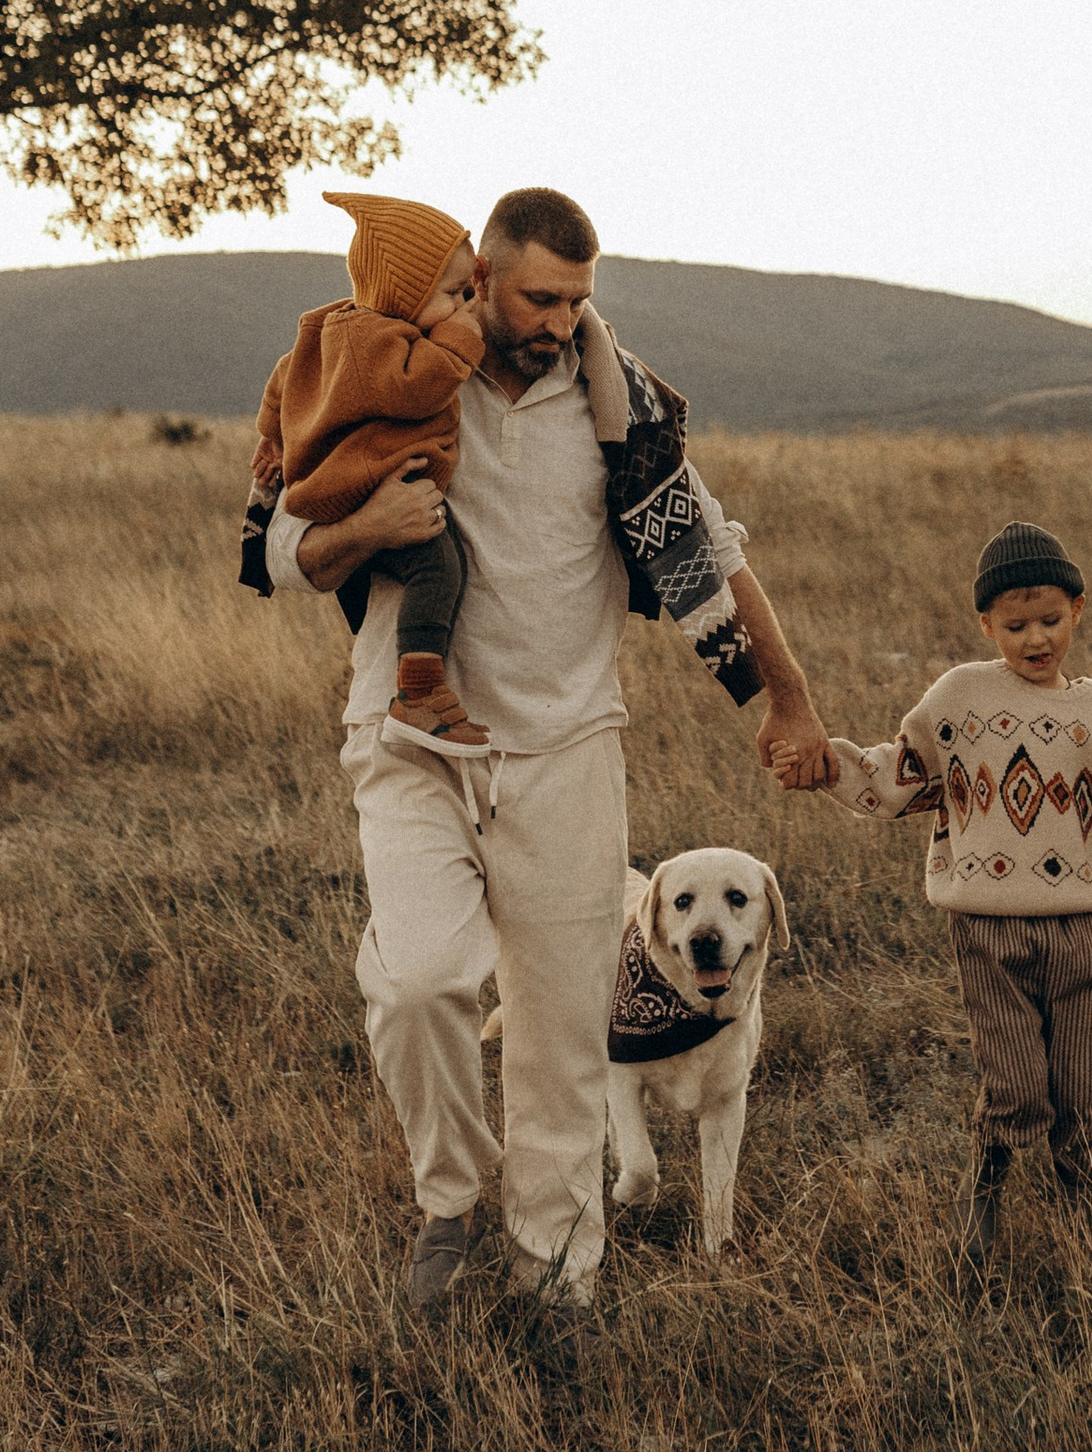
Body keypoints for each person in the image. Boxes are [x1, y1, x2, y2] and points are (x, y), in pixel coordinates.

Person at [256, 183, 832, 1316]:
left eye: (578, 300)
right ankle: (451, 1196)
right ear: (480, 274)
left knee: (565, 1033)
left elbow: (712, 551)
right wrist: (370, 530)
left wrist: (790, 701)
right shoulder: (392, 380)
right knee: (422, 982)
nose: (560, 320)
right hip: (411, 737)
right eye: (538, 296)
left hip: (568, 747)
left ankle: (558, 1275)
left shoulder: (625, 414)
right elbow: (276, 545)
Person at [799, 517, 1092, 1263]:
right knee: (1019, 1086)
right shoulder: (958, 699)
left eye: (1051, 621)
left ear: (1079, 610)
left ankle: (1089, 1213)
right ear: (986, 624)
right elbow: (897, 780)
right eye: (1017, 624)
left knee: (1082, 1090)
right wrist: (826, 764)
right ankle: (986, 1184)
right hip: (987, 931)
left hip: (1081, 933)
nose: (1036, 640)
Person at [247, 190, 490, 749]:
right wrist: (464, 334)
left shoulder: (338, 326)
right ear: (405, 294)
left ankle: (420, 691)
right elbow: (419, 385)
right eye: (454, 294)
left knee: (444, 564)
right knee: (439, 570)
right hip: (363, 490)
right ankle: (418, 693)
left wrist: (272, 436)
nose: (465, 305)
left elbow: (286, 376)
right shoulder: (378, 341)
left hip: (362, 483)